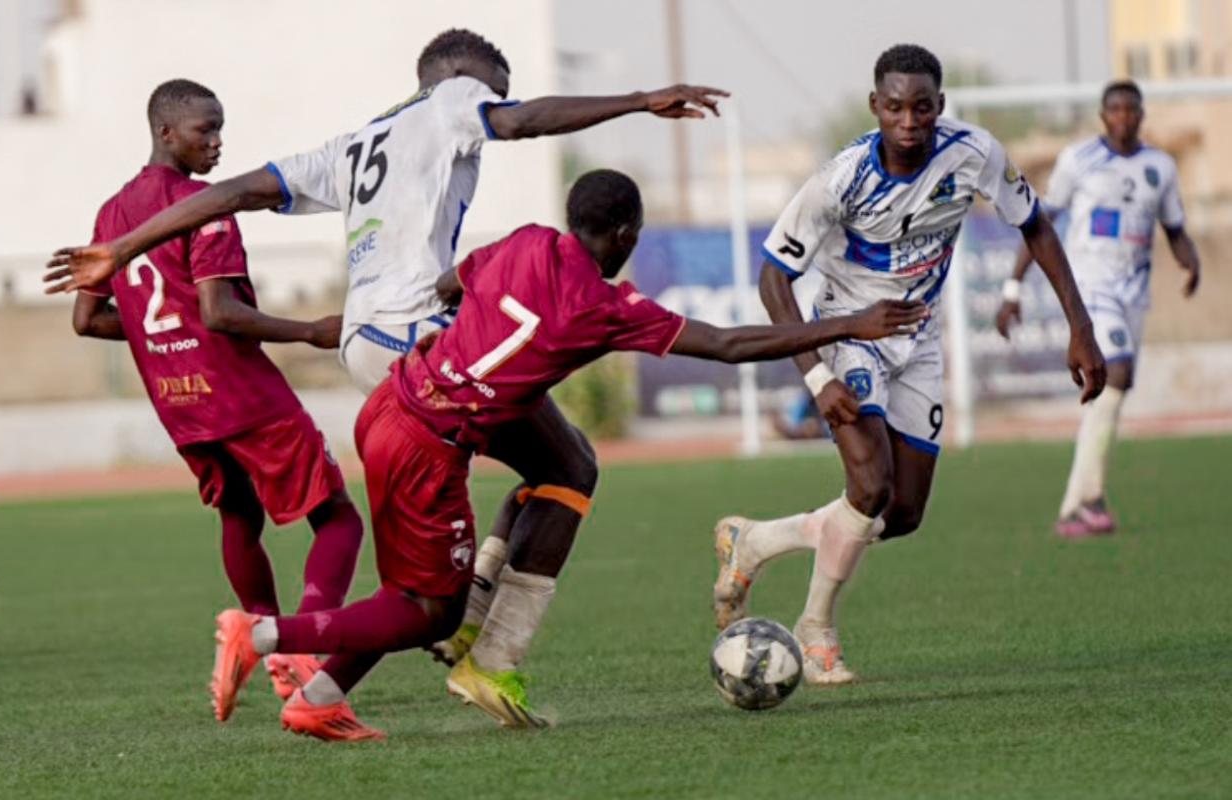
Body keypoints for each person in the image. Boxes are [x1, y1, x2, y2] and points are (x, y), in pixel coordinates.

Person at [43, 30, 728, 717]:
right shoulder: (452, 97)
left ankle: (362, 669)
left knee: (496, 512)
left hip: (362, 346)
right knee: (568, 471)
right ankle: (484, 653)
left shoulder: (355, 144)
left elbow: (238, 191)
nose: (493, 100)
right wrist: (640, 101)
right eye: (493, 84)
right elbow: (522, 121)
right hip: (416, 338)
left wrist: (123, 247)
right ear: (458, 74)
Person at [204, 169, 929, 741]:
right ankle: (264, 634)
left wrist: (468, 337)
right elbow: (730, 345)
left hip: (397, 403)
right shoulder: (604, 306)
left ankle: (325, 699)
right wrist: (850, 323)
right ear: (622, 233)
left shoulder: (525, 240)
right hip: (431, 445)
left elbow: (451, 282)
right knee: (419, 609)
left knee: (565, 470)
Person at [711, 44, 1106, 686]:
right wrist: (818, 375)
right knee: (869, 486)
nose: (910, 120)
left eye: (922, 107)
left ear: (939, 107)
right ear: (876, 107)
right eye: (895, 107)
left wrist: (1080, 328)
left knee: (901, 514)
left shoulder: (973, 153)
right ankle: (816, 631)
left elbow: (1036, 225)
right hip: (849, 335)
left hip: (918, 343)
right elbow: (773, 280)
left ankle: (754, 541)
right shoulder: (841, 179)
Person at [69, 79, 364, 715]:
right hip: (242, 395)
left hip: (181, 405)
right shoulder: (204, 205)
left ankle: (252, 628)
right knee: (338, 517)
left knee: (239, 517)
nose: (218, 141)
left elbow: (87, 320)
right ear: (165, 133)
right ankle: (298, 650)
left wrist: (160, 338)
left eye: (220, 127)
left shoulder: (111, 214)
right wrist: (311, 330)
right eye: (206, 130)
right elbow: (221, 312)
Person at [996, 80, 1201, 537]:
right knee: (1120, 371)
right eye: (1115, 109)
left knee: (1111, 389)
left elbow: (1175, 227)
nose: (1124, 117)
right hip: (1090, 287)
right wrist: (1013, 288)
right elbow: (1040, 223)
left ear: (1142, 115)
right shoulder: (1078, 161)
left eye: (1132, 109)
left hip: (1133, 292)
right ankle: (1089, 498)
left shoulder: (1160, 167)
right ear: (1103, 116)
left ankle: (1077, 505)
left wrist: (1190, 258)